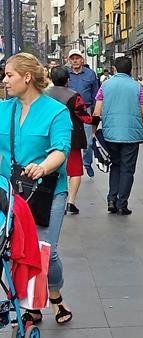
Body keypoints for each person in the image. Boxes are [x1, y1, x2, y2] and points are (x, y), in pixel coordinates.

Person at [0, 52, 74, 325]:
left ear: (27, 77)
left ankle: (53, 295)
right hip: (9, 191)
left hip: (46, 190)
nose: (5, 81)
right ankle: (31, 303)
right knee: (13, 249)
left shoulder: (56, 111)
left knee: (45, 249)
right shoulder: (3, 109)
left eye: (10, 75)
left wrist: (43, 167)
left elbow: (61, 150)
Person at [93, 57, 143, 215]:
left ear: (114, 69)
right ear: (131, 69)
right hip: (131, 136)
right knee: (128, 169)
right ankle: (122, 203)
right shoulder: (137, 87)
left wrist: (94, 131)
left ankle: (111, 199)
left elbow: (96, 111)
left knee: (115, 165)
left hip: (110, 134)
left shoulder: (105, 85)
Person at [46, 66, 100, 215]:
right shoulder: (74, 95)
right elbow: (84, 117)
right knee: (75, 171)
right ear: (67, 80)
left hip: (49, 137)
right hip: (72, 137)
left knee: (51, 168)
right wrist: (97, 119)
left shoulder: (44, 95)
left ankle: (51, 199)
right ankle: (70, 202)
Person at [67, 49, 99, 178]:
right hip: (69, 110)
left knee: (89, 142)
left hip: (85, 109)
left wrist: (95, 111)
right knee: (69, 140)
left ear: (82, 60)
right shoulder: (66, 74)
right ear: (69, 60)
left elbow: (95, 93)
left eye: (77, 58)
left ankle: (87, 163)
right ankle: (69, 166)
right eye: (72, 58)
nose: (75, 60)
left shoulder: (90, 74)